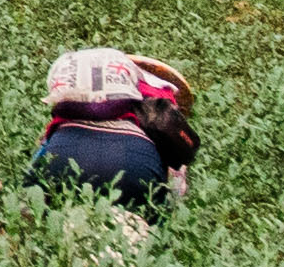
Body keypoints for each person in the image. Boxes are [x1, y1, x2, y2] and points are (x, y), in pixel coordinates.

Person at [28, 48, 200, 214]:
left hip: (63, 157)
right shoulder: (161, 108)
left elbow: (44, 147)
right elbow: (176, 185)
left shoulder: (76, 101)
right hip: (136, 166)